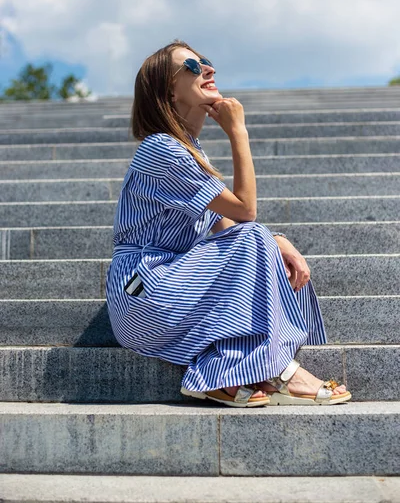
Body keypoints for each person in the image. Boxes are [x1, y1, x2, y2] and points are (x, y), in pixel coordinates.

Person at [105, 39, 351, 408]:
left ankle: (224, 373)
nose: (208, 68)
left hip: (164, 285)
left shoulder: (188, 148)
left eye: (206, 61)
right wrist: (238, 132)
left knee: (259, 241)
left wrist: (277, 241)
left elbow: (222, 223)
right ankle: (279, 370)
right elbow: (245, 212)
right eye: (192, 66)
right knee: (253, 235)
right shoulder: (162, 148)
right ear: (168, 91)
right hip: (143, 291)